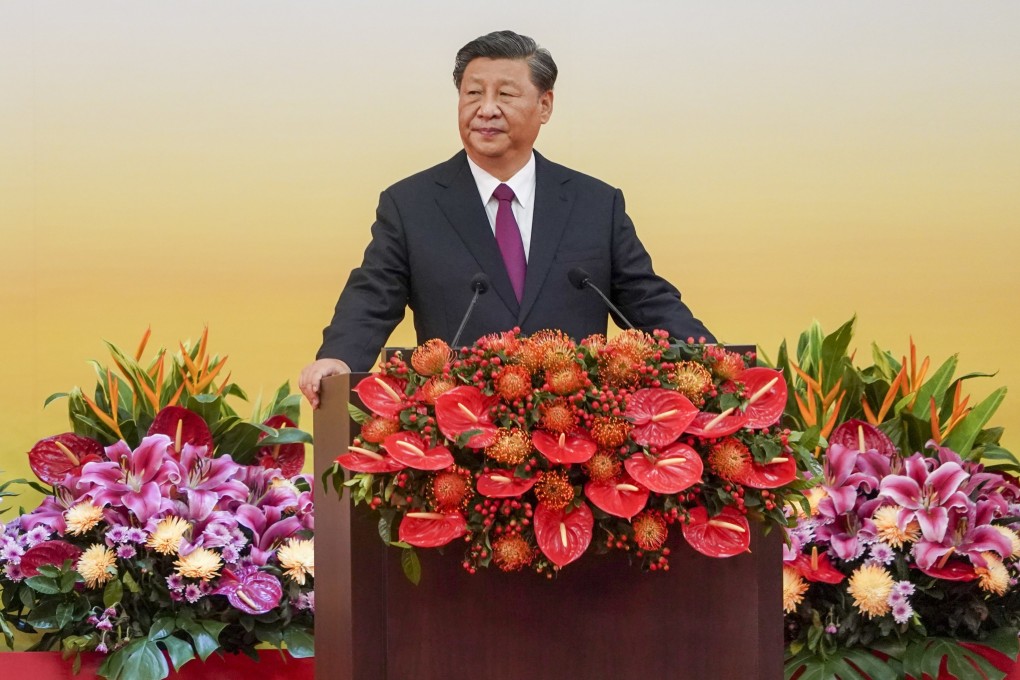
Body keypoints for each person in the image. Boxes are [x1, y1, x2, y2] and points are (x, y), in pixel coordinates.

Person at [299, 30, 713, 408]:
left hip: (577, 429)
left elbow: (647, 300)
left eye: (505, 95)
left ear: (544, 105)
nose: (486, 109)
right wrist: (339, 358)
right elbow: (372, 297)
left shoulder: (595, 203)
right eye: (473, 93)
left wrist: (717, 360)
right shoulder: (411, 204)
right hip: (456, 430)